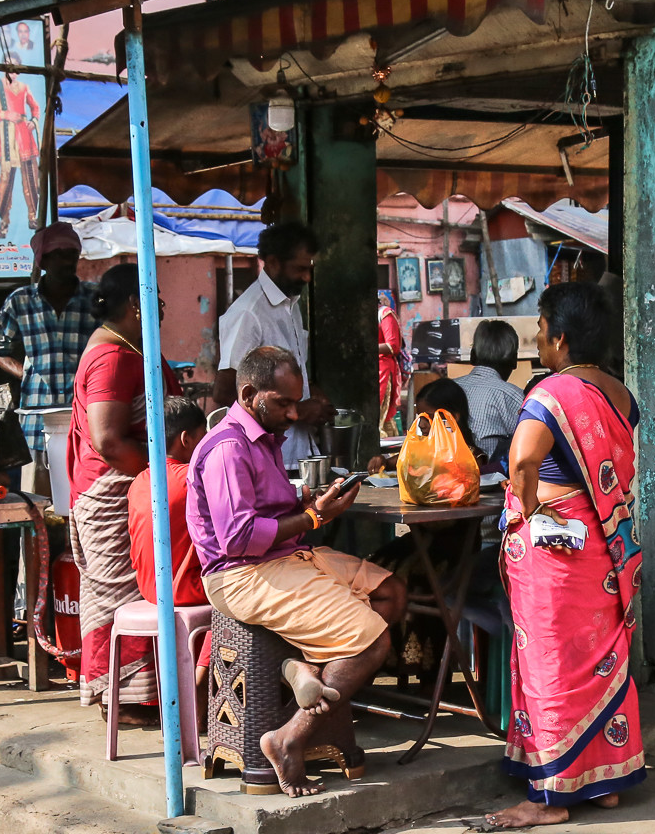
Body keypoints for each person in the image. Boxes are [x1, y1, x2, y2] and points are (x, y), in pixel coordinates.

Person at [187, 346, 407, 797]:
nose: (294, 414)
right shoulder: (229, 448)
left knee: (391, 594)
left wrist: (310, 504)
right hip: (242, 574)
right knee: (374, 641)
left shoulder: (262, 436)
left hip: (284, 557)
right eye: (283, 403)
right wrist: (312, 518)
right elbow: (239, 538)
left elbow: (269, 512)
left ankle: (305, 667)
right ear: (248, 394)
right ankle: (289, 739)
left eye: (296, 402)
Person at [486, 282, 644, 829]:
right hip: (604, 551)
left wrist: (525, 513)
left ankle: (549, 798)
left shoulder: (551, 394)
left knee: (552, 667)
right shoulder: (620, 394)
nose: (536, 338)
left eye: (541, 329)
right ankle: (602, 783)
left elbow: (523, 462)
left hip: (557, 554)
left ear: (561, 338)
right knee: (600, 662)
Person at [67, 264, 182, 722]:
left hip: (128, 486)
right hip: (110, 491)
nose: (163, 308)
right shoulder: (113, 357)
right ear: (137, 304)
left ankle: (141, 694)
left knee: (139, 589)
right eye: (157, 299)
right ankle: (127, 698)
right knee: (121, 594)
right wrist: (164, 476)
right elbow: (109, 440)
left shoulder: (127, 348)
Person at [0, 222, 98, 492]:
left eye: (71, 253)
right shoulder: (21, 301)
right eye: (58, 253)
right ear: (43, 259)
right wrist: (26, 372)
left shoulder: (95, 299)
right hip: (36, 419)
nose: (66, 260)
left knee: (83, 497)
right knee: (37, 500)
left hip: (84, 418)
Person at [213, 223, 331, 469]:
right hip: (266, 459)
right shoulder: (249, 312)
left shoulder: (291, 305)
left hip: (299, 453)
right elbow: (226, 392)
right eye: (299, 269)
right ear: (274, 262)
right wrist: (297, 409)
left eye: (309, 269)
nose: (307, 277)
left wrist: (312, 394)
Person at [127, 396, 213, 717]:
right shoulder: (193, 479)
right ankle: (201, 686)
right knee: (238, 593)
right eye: (203, 437)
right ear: (186, 440)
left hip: (151, 589)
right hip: (184, 590)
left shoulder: (138, 482)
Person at [454, 321, 524, 463]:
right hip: (492, 480)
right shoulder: (514, 396)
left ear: (473, 356)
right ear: (514, 360)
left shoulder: (448, 387)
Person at [0, 70, 40, 238]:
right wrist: (6, 114)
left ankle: (33, 216)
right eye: (10, 70)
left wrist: (34, 120)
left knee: (30, 178)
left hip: (24, 135)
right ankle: (4, 221)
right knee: (6, 181)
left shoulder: (24, 87)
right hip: (6, 135)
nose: (13, 74)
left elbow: (35, 107)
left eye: (16, 71)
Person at [377, 297, 405, 437]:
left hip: (383, 369)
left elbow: (393, 346)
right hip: (373, 368)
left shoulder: (385, 313)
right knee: (384, 419)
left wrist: (366, 348)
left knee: (380, 416)